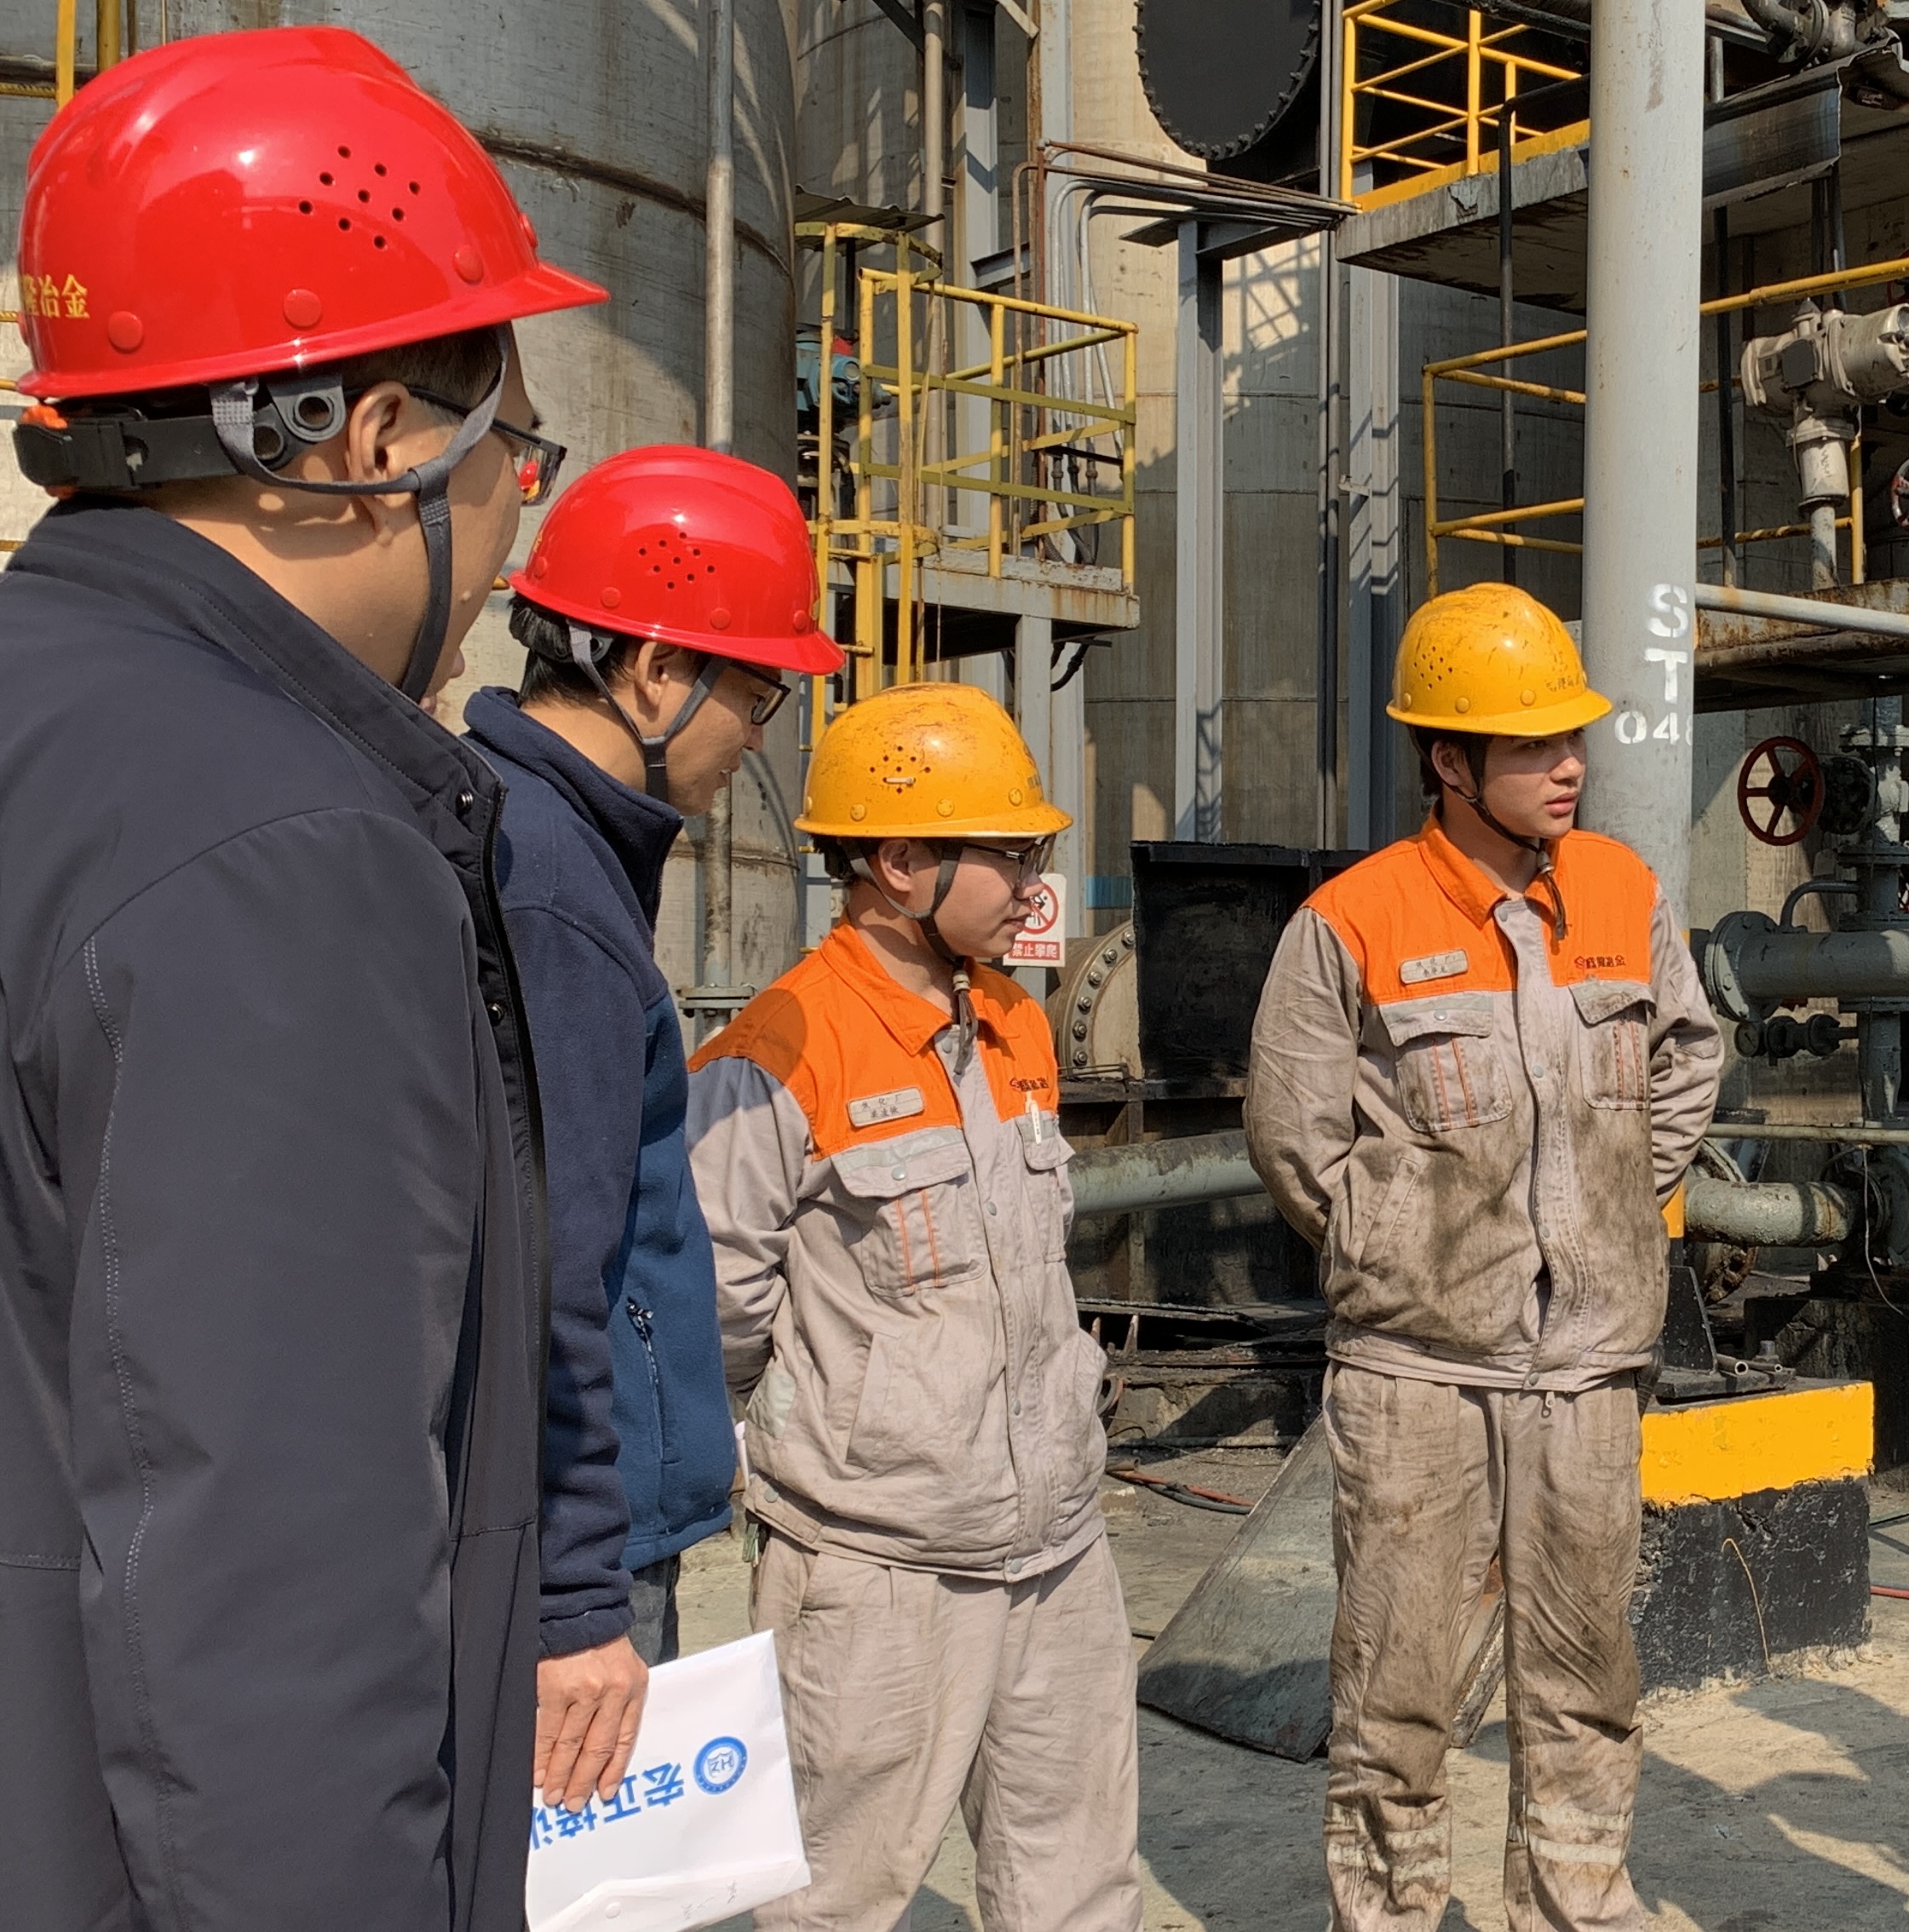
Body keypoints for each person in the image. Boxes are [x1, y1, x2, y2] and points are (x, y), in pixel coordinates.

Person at [0, 27, 603, 1930]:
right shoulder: (289, 851)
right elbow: (271, 1623)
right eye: (514, 458)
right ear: (372, 443)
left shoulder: (53, 728)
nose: (510, 531)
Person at [1245, 582, 1721, 1932]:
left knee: (1586, 1678)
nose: (1569, 765)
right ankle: (1389, 1915)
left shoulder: (1623, 889)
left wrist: (1615, 1207)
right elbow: (1295, 1139)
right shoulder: (1352, 920)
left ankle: (1578, 1906)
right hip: (1419, 1377)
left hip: (1588, 1370)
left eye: (1572, 738)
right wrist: (1400, 1247)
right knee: (1396, 1687)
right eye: (1531, 745)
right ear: (1448, 762)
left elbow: (1686, 1056)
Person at [687, 684, 1141, 1931]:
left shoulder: (1015, 1021)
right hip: (876, 1569)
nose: (1031, 879)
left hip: (1058, 1548)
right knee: (832, 1899)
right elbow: (716, 1310)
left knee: (1080, 1889)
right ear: (900, 863)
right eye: (1008, 853)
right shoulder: (774, 1054)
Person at [476, 447, 848, 1808]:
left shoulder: (542, 840)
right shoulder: (555, 889)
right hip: (586, 1548)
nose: (759, 734)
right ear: (652, 668)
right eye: (757, 691)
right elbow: (550, 1270)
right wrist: (577, 1596)